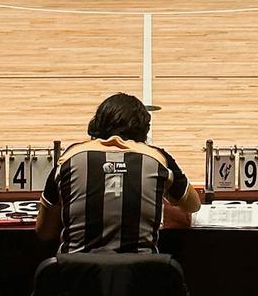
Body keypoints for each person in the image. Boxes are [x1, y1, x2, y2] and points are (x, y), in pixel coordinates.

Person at [36, 92, 202, 252]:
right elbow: (194, 205)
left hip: (77, 277)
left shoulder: (70, 157)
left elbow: (45, 232)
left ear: (96, 124)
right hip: (140, 278)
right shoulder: (158, 158)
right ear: (144, 131)